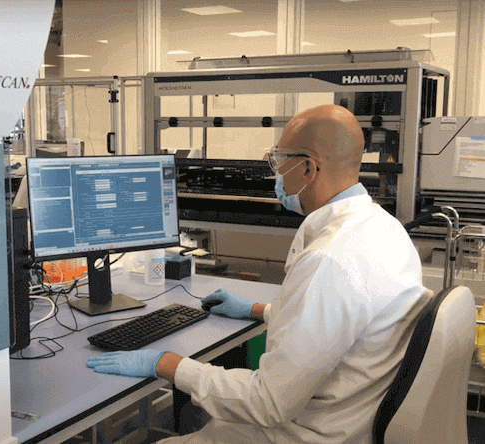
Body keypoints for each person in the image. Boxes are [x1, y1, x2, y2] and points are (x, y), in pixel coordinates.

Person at [86, 104, 431, 444]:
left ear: (308, 168)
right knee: (203, 416)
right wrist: (256, 310)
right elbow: (339, 321)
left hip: (305, 433)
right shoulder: (385, 228)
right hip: (348, 414)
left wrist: (167, 363)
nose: (276, 172)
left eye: (280, 160)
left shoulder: (329, 261)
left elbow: (268, 403)